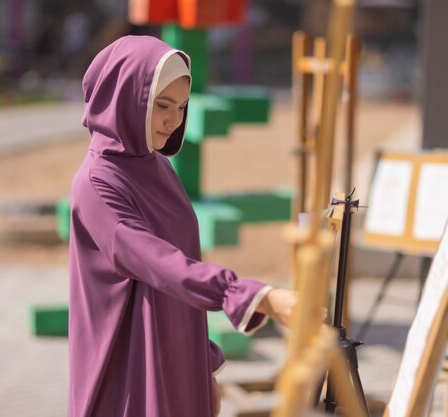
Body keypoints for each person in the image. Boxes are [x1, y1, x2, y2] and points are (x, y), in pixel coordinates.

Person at [68, 35, 297, 417]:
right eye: (162, 105)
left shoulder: (156, 167)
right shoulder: (97, 183)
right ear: (126, 97)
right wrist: (253, 295)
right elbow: (160, 263)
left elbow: (182, 264)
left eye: (182, 107)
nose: (174, 120)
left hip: (175, 360)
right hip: (130, 372)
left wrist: (203, 364)